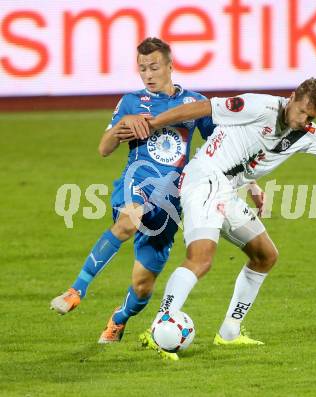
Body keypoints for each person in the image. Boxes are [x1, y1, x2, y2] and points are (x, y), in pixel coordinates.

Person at [139, 77, 316, 356]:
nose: (304, 119)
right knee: (201, 259)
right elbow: (205, 107)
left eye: (310, 116)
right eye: (301, 111)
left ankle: (229, 332)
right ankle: (159, 326)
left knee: (265, 256)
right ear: (291, 98)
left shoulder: (305, 134)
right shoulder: (258, 106)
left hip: (227, 190)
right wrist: (152, 124)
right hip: (205, 179)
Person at [50, 38, 216, 352]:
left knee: (142, 285)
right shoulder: (131, 102)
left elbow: (217, 147)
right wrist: (121, 125)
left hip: (170, 200)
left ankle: (120, 319)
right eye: (142, 69)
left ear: (170, 64)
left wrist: (249, 182)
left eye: (154, 67)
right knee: (129, 220)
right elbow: (104, 149)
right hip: (136, 183)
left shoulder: (195, 102)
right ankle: (76, 290)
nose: (148, 74)